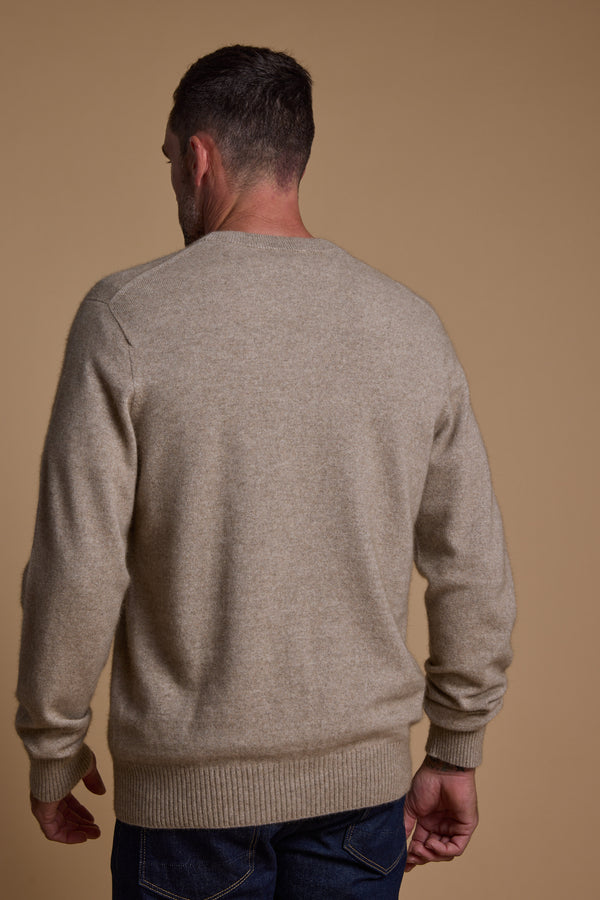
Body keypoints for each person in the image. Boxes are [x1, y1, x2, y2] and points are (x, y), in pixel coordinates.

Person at [16, 45, 515, 898]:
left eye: (171, 159)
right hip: (362, 801)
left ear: (197, 155)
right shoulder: (408, 326)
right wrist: (455, 746)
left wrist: (53, 744)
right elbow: (471, 562)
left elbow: (79, 563)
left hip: (186, 805)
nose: (174, 177)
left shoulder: (127, 318)